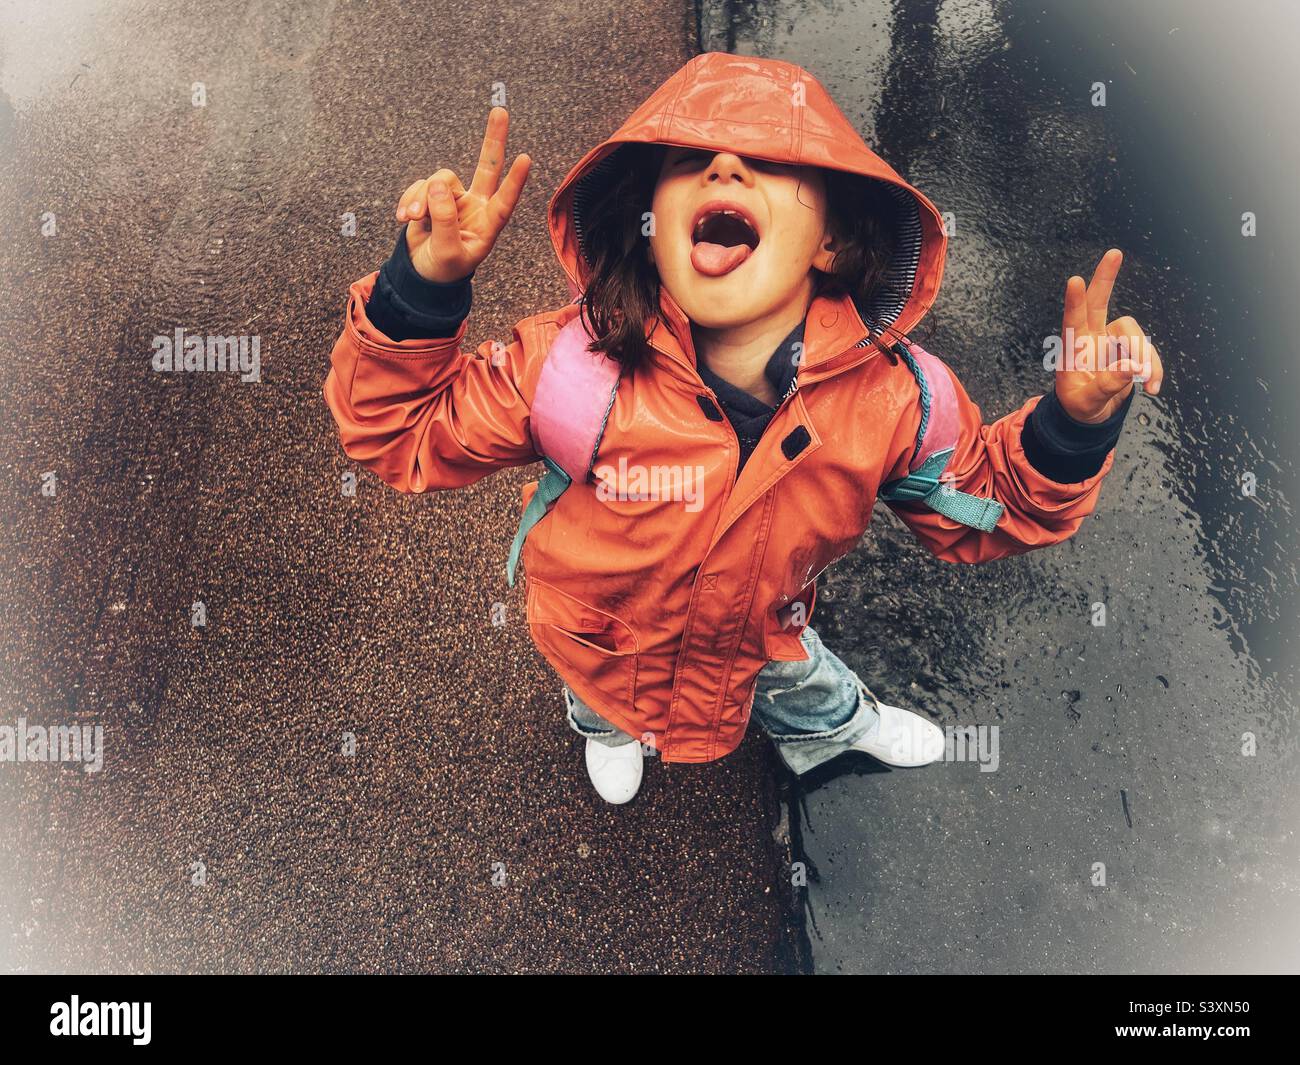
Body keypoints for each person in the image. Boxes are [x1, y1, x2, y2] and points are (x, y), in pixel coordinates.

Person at [324, 53, 1161, 804]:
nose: (724, 163)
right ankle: (607, 729)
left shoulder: (894, 398)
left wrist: (1074, 426)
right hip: (596, 633)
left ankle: (838, 728)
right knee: (595, 691)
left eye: (770, 161)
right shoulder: (568, 366)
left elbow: (988, 501)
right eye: (690, 159)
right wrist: (421, 288)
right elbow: (399, 432)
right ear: (649, 231)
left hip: (760, 635)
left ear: (830, 240)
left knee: (805, 686)